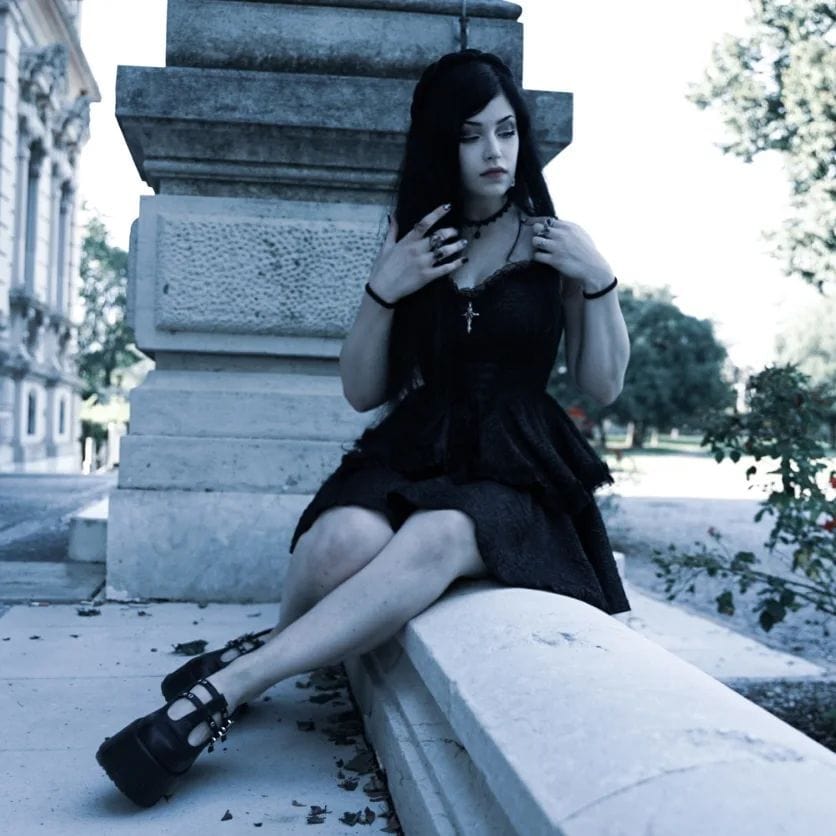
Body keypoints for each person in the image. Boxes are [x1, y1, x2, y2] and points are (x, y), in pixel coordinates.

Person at [96, 49, 632, 808]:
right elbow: (362, 391)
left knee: (443, 534)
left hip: (516, 467)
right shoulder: (415, 238)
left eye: (506, 130)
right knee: (339, 541)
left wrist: (599, 278)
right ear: (441, 144)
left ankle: (226, 690)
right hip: (421, 443)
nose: (494, 151)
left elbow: (602, 385)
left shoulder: (554, 243)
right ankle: (268, 653)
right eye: (470, 134)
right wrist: (385, 287)